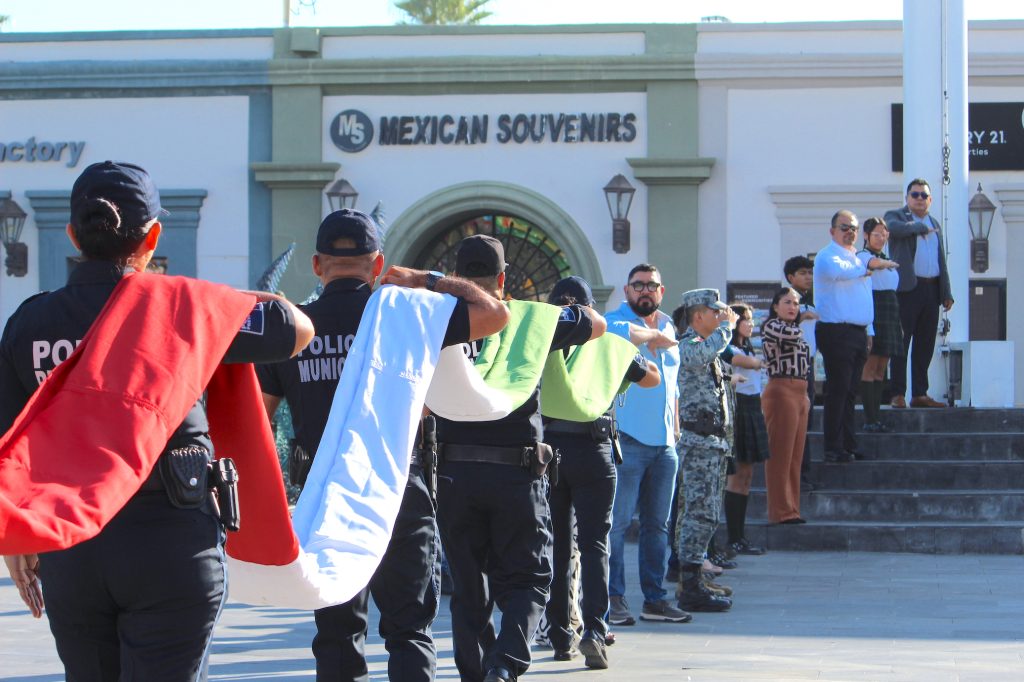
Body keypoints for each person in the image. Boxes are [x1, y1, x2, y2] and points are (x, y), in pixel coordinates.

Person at [0, 161, 316, 680]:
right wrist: (224, 302)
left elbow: (13, 438)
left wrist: (20, 540)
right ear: (153, 236)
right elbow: (296, 328)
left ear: (74, 233)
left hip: (70, 549)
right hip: (170, 538)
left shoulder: (28, 321)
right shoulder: (185, 309)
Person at [256, 211, 509, 682]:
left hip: (322, 490)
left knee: (335, 631)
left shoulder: (291, 327)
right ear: (379, 266)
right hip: (396, 485)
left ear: (317, 265)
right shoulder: (406, 322)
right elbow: (495, 314)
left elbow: (259, 422)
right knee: (409, 628)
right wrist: (427, 278)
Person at [434, 235, 606, 682]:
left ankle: (476, 671)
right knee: (529, 578)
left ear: (455, 275)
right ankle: (506, 665)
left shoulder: (433, 319)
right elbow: (596, 323)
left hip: (453, 472)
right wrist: (558, 312)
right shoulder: (532, 321)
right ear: (504, 277)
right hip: (516, 473)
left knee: (469, 587)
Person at [542, 275, 661, 670]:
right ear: (592, 310)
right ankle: (595, 629)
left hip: (551, 451)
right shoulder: (612, 345)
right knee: (595, 544)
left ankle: (560, 633)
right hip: (596, 450)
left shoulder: (542, 339)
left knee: (558, 544)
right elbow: (651, 378)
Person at [813, 211, 898, 464]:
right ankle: (833, 446)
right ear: (832, 231)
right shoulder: (827, 256)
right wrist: (870, 264)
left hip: (858, 331)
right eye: (844, 228)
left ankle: (848, 444)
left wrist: (869, 331)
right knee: (838, 391)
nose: (850, 232)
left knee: (851, 392)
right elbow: (844, 274)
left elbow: (864, 296)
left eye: (854, 228)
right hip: (836, 330)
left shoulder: (856, 258)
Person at [674, 288, 737, 613]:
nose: (721, 318)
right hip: (698, 444)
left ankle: (693, 577)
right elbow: (698, 356)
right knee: (700, 513)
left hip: (711, 443)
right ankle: (691, 585)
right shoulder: (691, 346)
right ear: (698, 316)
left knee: (704, 513)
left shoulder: (705, 348)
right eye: (715, 313)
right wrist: (726, 329)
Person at [884, 179, 954, 408]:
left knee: (925, 344)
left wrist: (946, 291)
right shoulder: (896, 216)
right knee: (901, 343)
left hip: (931, 288)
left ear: (931, 200)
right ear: (907, 198)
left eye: (924, 195)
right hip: (907, 289)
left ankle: (920, 393)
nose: (920, 199)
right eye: (915, 195)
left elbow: (940, 260)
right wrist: (919, 227)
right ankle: (897, 393)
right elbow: (893, 229)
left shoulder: (935, 222)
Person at [760, 288, 812, 524]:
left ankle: (793, 508)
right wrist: (807, 317)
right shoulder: (772, 325)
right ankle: (780, 511)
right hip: (781, 389)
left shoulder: (795, 326)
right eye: (787, 302)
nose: (793, 307)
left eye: (796, 303)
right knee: (781, 454)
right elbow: (791, 334)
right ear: (775, 306)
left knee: (795, 456)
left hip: (800, 391)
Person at [723, 303, 769, 553]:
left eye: (751, 320)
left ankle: (740, 536)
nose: (751, 324)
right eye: (746, 320)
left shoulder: (748, 345)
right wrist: (758, 362)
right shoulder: (726, 347)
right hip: (738, 408)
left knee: (747, 476)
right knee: (736, 477)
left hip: (752, 407)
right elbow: (742, 362)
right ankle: (733, 537)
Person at [857, 217, 903, 431]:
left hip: (890, 308)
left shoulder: (888, 257)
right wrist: (887, 263)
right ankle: (869, 418)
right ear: (866, 236)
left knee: (881, 367)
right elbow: (872, 265)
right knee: (870, 365)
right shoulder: (863, 256)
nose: (881, 238)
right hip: (873, 308)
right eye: (876, 234)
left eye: (884, 234)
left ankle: (877, 416)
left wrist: (888, 262)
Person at [784, 255, 818, 492]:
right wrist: (798, 316)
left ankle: (802, 474)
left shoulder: (811, 300)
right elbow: (775, 327)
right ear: (790, 277)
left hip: (808, 363)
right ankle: (792, 477)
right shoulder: (787, 300)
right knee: (794, 425)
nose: (808, 277)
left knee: (805, 424)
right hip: (791, 368)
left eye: (810, 273)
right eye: (803, 273)